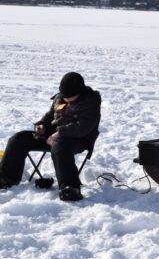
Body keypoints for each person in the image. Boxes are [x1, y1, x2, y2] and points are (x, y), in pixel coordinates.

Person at [0, 72, 101, 201]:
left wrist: (59, 133)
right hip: (53, 136)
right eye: (65, 96)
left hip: (78, 139)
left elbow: (84, 127)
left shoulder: (90, 101)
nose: (67, 99)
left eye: (71, 97)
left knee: (60, 146)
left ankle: (70, 188)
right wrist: (42, 125)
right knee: (18, 139)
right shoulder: (60, 97)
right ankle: (6, 179)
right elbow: (49, 116)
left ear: (80, 91)